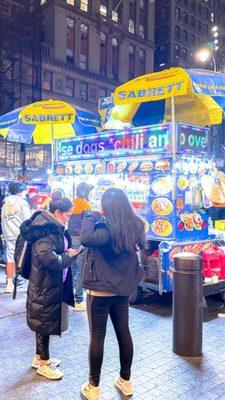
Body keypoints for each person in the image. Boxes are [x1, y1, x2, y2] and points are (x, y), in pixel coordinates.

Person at [80, 188, 146, 400]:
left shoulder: (105, 227)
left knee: (97, 337)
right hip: (122, 289)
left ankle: (94, 387)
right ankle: (125, 381)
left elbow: (85, 237)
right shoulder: (135, 225)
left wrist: (92, 215)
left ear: (105, 206)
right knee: (123, 332)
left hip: (100, 290)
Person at [23, 192, 79, 380]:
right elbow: (50, 260)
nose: (68, 217)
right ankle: (44, 364)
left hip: (50, 283)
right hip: (44, 284)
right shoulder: (45, 230)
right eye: (66, 214)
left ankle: (39, 357)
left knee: (44, 321)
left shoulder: (53, 226)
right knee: (44, 322)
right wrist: (69, 256)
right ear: (56, 212)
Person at [1, 181, 31, 293]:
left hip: (8, 234)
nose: (25, 193)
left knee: (10, 258)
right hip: (20, 235)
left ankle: (9, 284)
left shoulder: (5, 204)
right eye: (24, 191)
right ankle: (18, 279)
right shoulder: (22, 203)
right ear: (20, 191)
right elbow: (28, 221)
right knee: (22, 257)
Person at [68, 182, 94, 311]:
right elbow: (87, 225)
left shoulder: (72, 203)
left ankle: (70, 297)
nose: (91, 194)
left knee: (71, 270)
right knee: (80, 270)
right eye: (90, 191)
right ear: (86, 192)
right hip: (80, 239)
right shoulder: (86, 205)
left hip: (70, 238)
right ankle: (79, 300)